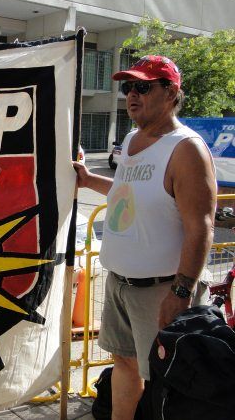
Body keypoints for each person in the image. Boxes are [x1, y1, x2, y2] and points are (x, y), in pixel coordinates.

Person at [73, 55, 216, 420]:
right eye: (128, 87)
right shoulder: (132, 139)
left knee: (167, 381)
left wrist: (181, 292)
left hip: (161, 290)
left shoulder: (186, 149)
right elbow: (127, 195)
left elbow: (201, 226)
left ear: (171, 93)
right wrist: (89, 180)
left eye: (143, 87)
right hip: (119, 284)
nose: (132, 95)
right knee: (124, 363)